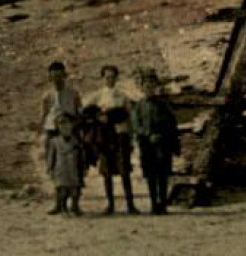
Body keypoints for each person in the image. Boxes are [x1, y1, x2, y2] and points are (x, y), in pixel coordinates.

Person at [87, 65, 139, 215]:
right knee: (107, 171)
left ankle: (130, 204)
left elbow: (130, 118)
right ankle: (110, 205)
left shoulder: (122, 96)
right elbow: (88, 113)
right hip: (104, 137)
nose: (110, 80)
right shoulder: (97, 96)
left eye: (113, 77)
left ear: (117, 78)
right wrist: (98, 117)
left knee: (124, 170)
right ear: (102, 78)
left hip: (120, 135)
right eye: (107, 77)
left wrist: (130, 137)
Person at [130, 70, 181, 215]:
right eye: (146, 86)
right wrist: (148, 134)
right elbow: (136, 125)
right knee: (150, 174)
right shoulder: (138, 106)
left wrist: (163, 136)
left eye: (152, 85)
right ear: (142, 88)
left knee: (163, 174)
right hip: (146, 145)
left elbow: (172, 123)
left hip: (162, 143)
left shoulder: (163, 105)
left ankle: (163, 204)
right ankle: (153, 204)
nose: (149, 88)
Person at [40, 60, 84, 216]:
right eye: (53, 77)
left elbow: (79, 113)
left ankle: (75, 204)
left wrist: (76, 128)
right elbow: (44, 115)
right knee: (57, 169)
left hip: (70, 131)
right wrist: (43, 134)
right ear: (49, 78)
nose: (57, 79)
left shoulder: (73, 93)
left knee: (74, 168)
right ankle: (59, 203)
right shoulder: (47, 96)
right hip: (53, 131)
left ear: (65, 76)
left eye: (60, 76)